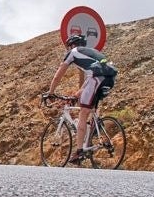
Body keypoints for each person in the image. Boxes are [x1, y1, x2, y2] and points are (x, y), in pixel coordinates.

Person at [46, 34, 117, 164]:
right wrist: (76, 95)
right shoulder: (93, 53)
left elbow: (58, 75)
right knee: (91, 109)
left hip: (97, 78)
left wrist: (50, 92)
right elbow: (89, 79)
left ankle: (79, 151)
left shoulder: (73, 53)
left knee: (83, 113)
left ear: (72, 45)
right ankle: (93, 132)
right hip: (109, 78)